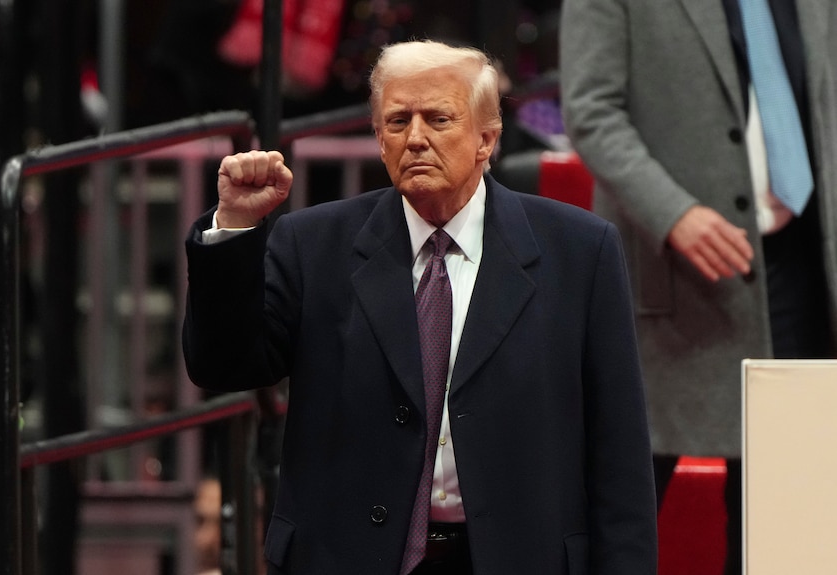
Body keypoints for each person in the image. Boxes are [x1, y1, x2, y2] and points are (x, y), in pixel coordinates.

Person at [182, 39, 656, 575]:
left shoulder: (579, 250)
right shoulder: (313, 244)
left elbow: (619, 454)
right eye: (398, 121)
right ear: (378, 139)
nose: (416, 139)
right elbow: (224, 365)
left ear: (487, 139)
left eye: (438, 119)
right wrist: (236, 229)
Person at [559, 1, 837, 573]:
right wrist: (674, 214)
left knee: (784, 524)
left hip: (799, 267)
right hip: (669, 270)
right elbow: (591, 111)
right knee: (621, 503)